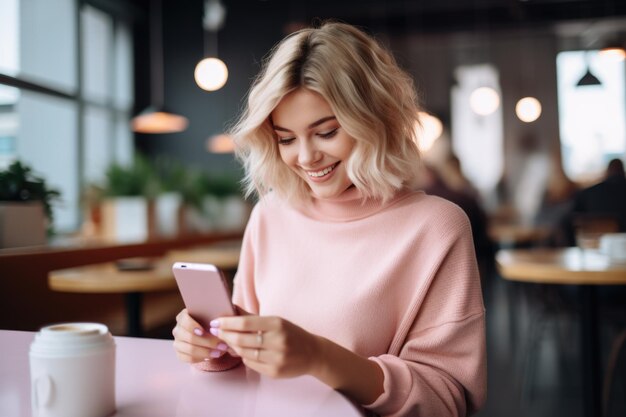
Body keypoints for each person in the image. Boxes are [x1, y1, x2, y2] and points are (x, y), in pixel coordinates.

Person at [172, 22, 486, 417]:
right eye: (286, 138)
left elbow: (448, 397)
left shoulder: (438, 227)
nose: (305, 157)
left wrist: (320, 357)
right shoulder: (270, 214)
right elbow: (244, 358)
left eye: (326, 132)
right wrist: (213, 347)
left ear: (375, 119)